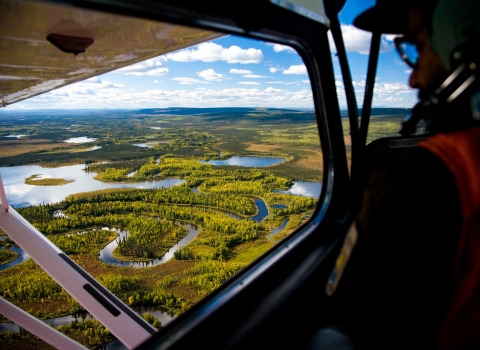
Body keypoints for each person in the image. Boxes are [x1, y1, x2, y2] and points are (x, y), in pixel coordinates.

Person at [314, 0, 480, 348]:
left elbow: (346, 325)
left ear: (465, 53)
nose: (413, 77)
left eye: (419, 47)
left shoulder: (432, 175)